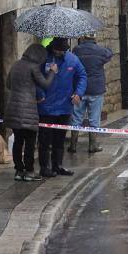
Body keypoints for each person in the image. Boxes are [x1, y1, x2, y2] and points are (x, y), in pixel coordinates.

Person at [4, 44, 57, 181]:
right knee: (30, 141)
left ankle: (18, 170)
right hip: (28, 110)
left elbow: (8, 84)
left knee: (18, 141)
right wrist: (52, 72)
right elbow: (45, 84)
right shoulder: (33, 67)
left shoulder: (16, 65)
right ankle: (29, 171)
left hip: (13, 108)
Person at [37, 37, 87, 177]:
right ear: (53, 48)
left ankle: (58, 165)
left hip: (65, 106)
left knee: (60, 139)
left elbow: (82, 75)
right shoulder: (43, 59)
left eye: (62, 51)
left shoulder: (72, 59)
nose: (60, 53)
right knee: (45, 140)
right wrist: (40, 94)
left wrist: (78, 93)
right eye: (57, 50)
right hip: (46, 106)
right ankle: (44, 167)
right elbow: (35, 77)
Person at [69, 35, 113, 154]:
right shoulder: (100, 51)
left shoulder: (76, 50)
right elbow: (109, 54)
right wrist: (108, 48)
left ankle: (73, 145)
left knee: (76, 117)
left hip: (80, 89)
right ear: (94, 40)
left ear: (83, 39)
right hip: (96, 89)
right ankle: (92, 145)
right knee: (94, 118)